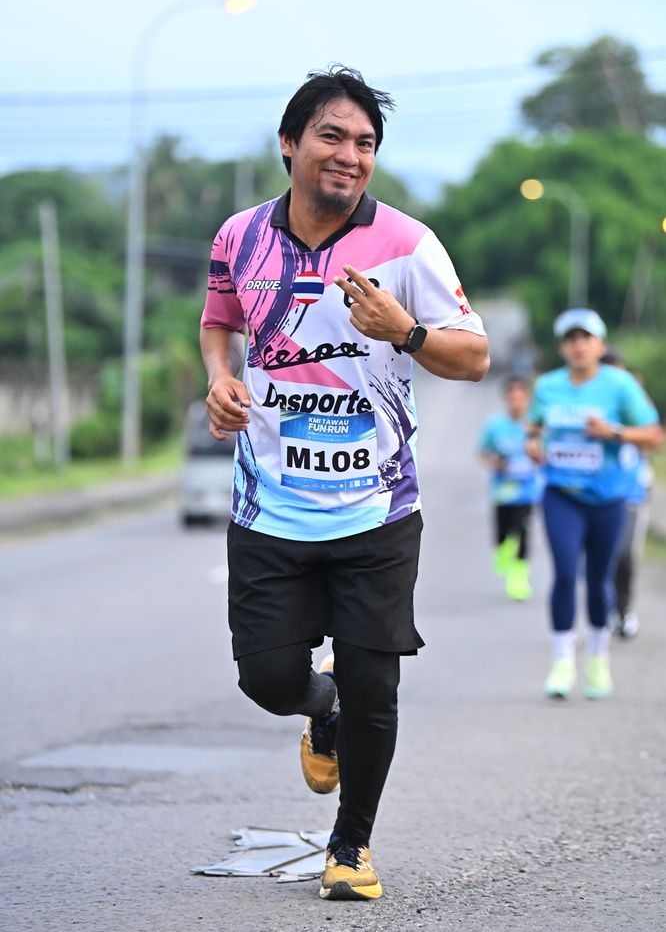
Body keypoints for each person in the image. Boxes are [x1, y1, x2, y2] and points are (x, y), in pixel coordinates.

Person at [200, 65, 489, 902]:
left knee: (376, 682)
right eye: (331, 135)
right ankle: (317, 704)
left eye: (365, 143)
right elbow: (219, 320)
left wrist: (407, 331)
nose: (349, 155)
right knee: (267, 679)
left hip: (377, 509)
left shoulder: (407, 244)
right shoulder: (239, 237)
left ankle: (351, 845)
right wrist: (220, 379)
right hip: (269, 505)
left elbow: (473, 356)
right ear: (289, 144)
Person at [525, 308, 662, 700]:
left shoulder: (620, 385)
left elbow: (654, 434)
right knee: (566, 573)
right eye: (571, 339)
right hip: (561, 493)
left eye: (586, 338)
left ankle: (599, 659)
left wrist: (613, 432)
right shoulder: (548, 386)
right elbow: (533, 428)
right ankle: (562, 662)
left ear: (600, 345)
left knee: (600, 579)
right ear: (561, 347)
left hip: (607, 498)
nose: (578, 346)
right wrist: (533, 445)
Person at [601, 347, 664, 638]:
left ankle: (624, 608)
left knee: (625, 553)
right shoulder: (592, 404)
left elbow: (655, 438)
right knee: (602, 555)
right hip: (599, 492)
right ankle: (604, 607)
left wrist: (619, 432)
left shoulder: (635, 400)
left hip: (633, 491)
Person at [478, 375, 542, 600]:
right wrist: (496, 463)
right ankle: (503, 551)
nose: (516, 402)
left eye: (521, 398)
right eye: (512, 398)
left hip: (527, 491)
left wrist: (537, 457)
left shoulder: (534, 426)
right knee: (503, 535)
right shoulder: (495, 426)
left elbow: (545, 452)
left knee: (522, 531)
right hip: (503, 491)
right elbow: (483, 452)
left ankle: (518, 579)